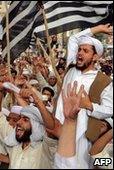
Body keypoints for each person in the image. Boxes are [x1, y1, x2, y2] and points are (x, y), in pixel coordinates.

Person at [55, 24, 113, 168]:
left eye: (85, 51)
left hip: (81, 136)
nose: (80, 53)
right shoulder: (71, 68)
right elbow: (74, 38)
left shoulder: (104, 81)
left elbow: (110, 109)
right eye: (79, 49)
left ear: (95, 57)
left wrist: (89, 105)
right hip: (57, 130)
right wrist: (97, 29)